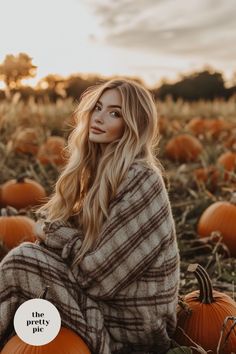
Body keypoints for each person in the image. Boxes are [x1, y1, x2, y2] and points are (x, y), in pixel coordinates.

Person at [0, 78, 180, 354]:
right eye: (98, 107)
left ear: (134, 124)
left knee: (22, 262)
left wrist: (54, 234)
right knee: (30, 260)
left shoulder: (143, 181)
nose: (99, 117)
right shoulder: (100, 175)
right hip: (105, 308)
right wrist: (54, 237)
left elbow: (100, 279)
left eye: (115, 113)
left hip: (132, 331)